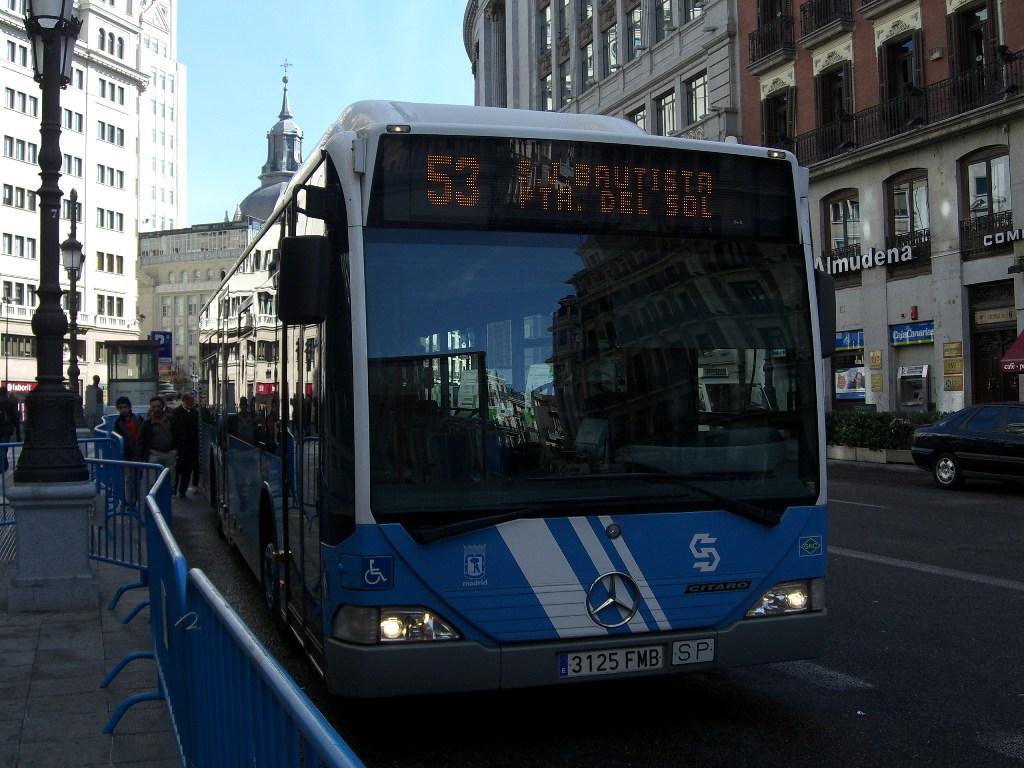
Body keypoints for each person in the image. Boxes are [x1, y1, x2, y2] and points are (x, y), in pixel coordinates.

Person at [112, 395, 144, 499]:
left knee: (141, 478)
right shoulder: (118, 423)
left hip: (140, 453)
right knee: (130, 479)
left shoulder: (138, 418)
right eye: (121, 408)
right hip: (128, 454)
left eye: (125, 407)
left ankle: (140, 500)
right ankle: (130, 502)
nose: (123, 410)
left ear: (129, 407)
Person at [139, 394, 180, 474]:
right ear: (151, 408)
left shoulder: (171, 420)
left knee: (170, 481)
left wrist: (176, 451)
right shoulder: (147, 423)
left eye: (158, 406)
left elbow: (179, 435)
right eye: (154, 407)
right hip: (154, 454)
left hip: (170, 454)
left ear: (163, 406)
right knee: (154, 483)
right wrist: (140, 459)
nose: (156, 409)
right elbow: (141, 441)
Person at [172, 391, 200, 498]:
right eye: (190, 401)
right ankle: (174, 487)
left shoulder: (194, 413)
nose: (192, 403)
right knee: (177, 469)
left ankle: (182, 490)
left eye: (193, 401)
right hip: (180, 446)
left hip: (191, 447)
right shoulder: (176, 412)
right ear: (184, 400)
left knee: (187, 471)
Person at [0, 386, 22, 473]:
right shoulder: (10, 402)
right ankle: (2, 465)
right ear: (6, 392)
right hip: (6, 427)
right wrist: (16, 427)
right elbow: (15, 415)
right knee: (4, 446)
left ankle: (4, 464)